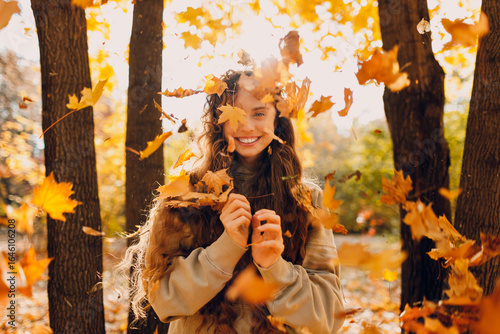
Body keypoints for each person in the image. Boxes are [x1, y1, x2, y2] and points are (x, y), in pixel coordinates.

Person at [121, 69, 345, 333]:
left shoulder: (307, 200)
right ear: (218, 121)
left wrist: (274, 267)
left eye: (259, 113)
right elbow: (164, 301)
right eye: (234, 113)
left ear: (278, 120)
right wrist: (227, 247)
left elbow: (329, 318)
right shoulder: (185, 194)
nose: (247, 125)